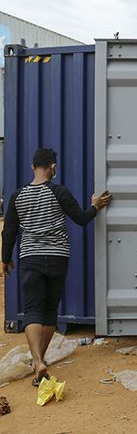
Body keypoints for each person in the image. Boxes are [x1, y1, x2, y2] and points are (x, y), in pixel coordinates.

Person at [1, 147, 112, 385]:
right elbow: (81, 219)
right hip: (57, 258)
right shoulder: (59, 192)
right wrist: (95, 205)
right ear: (53, 167)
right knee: (50, 309)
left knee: (32, 310)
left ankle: (37, 360)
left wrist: (5, 258)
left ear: (33, 167)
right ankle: (40, 361)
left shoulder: (17, 197)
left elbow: (8, 231)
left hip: (30, 258)